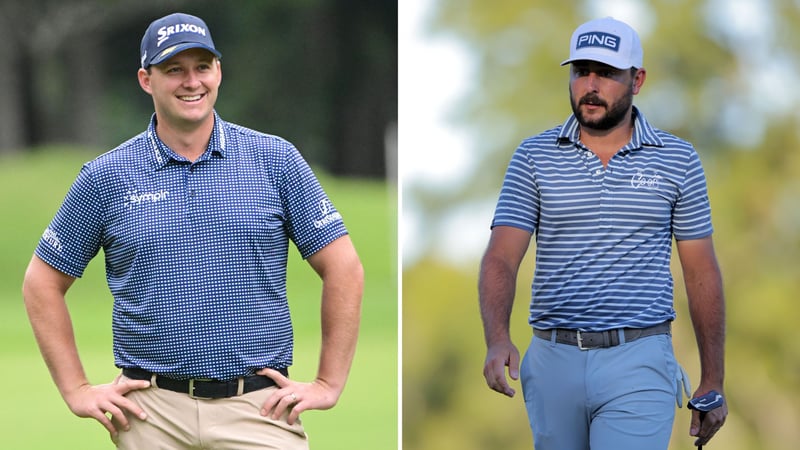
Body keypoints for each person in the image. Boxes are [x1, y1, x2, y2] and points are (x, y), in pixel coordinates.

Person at [22, 12, 363, 450]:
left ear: (218, 71)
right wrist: (77, 389)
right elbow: (42, 282)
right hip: (151, 414)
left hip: (256, 409)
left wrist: (326, 382)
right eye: (173, 70)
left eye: (202, 67)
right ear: (147, 79)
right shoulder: (105, 177)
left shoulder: (275, 160)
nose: (191, 82)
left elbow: (344, 267)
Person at [479, 16, 727, 450]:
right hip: (553, 357)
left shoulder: (678, 160)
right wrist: (497, 338)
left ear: (638, 79)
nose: (590, 85)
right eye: (580, 72)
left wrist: (713, 379)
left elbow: (701, 270)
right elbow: (501, 257)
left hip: (640, 357)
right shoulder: (533, 156)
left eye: (607, 73)